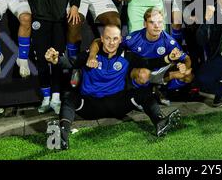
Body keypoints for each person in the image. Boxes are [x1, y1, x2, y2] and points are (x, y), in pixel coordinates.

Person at [44, 25, 181, 150]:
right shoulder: (90, 55)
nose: (111, 42)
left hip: (117, 104)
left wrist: (168, 57)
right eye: (108, 38)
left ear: (120, 40)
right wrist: (55, 60)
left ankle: (160, 122)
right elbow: (69, 62)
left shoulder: (127, 55)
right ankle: (62, 136)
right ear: (102, 39)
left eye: (115, 39)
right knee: (69, 97)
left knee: (144, 92)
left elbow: (148, 62)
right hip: (91, 105)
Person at [88, 7, 193, 104]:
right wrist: (92, 56)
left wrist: (184, 67)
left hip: (159, 72)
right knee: (143, 74)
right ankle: (138, 95)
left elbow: (186, 58)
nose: (156, 26)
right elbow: (98, 41)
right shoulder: (133, 39)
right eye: (152, 22)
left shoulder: (169, 41)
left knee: (188, 76)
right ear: (145, 24)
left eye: (160, 22)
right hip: (140, 72)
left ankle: (161, 90)